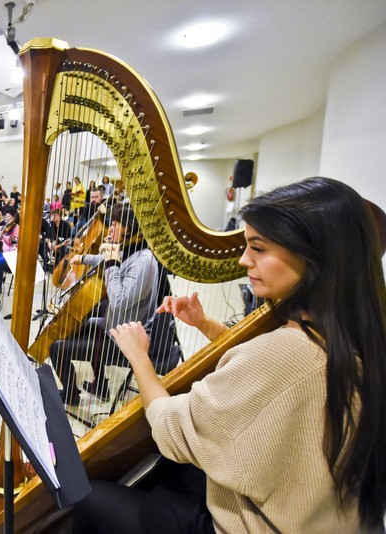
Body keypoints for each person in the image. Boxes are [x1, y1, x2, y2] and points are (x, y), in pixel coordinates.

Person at [73, 177, 386, 533]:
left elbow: (170, 428)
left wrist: (138, 357)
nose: (243, 260)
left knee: (88, 496)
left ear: (314, 254)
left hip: (258, 524)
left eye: (259, 248)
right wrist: (206, 325)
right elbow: (270, 381)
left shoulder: (288, 352)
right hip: (313, 510)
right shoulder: (355, 331)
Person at [49, 204, 160, 405]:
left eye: (116, 224)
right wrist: (81, 258)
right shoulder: (133, 250)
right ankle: (100, 385)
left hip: (128, 340)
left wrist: (111, 263)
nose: (111, 228)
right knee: (81, 325)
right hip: (117, 326)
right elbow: (105, 259)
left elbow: (118, 301)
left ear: (130, 227)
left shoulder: (143, 261)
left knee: (57, 348)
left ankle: (70, 395)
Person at [0, 208, 20, 303]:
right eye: (6, 217)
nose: (6, 219)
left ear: (14, 218)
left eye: (9, 217)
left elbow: (12, 243)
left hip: (14, 255)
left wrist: (3, 236)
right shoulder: (5, 227)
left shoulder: (17, 228)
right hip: (6, 253)